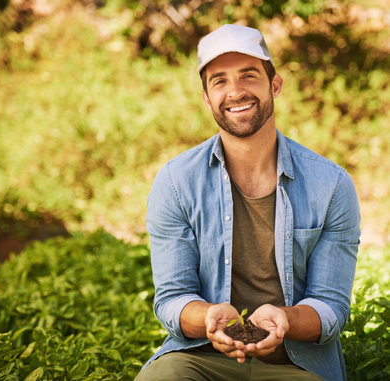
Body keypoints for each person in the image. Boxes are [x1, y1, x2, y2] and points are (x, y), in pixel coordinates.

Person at [135, 24, 361, 381]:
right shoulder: (176, 182)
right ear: (207, 98)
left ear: (275, 85)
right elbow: (172, 298)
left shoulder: (331, 184)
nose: (235, 91)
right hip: (201, 359)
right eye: (219, 81)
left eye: (249, 75)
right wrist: (208, 318)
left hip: (296, 365)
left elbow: (330, 307)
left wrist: (285, 320)